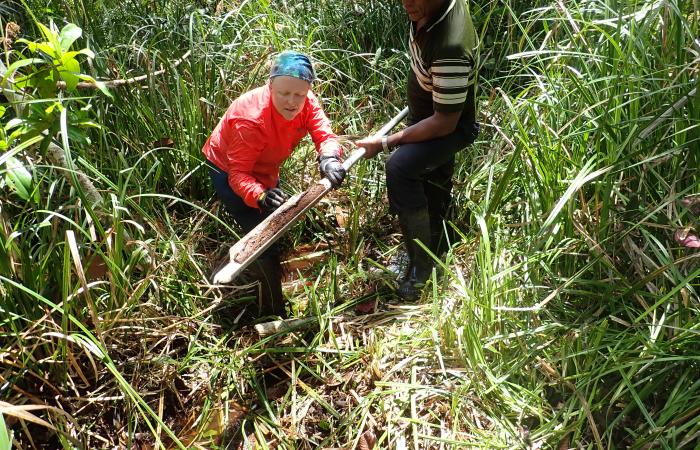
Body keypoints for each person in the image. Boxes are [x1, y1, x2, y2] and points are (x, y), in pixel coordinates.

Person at [203, 50, 346, 319]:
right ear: (270, 86)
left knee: (274, 223)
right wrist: (260, 196)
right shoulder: (250, 118)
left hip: (266, 166)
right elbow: (239, 175)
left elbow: (324, 133)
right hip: (228, 170)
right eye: (284, 94)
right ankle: (272, 310)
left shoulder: (305, 100)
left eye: (299, 95)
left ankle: (275, 270)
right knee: (262, 240)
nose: (292, 102)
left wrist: (329, 158)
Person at [355, 0, 480, 301]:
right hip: (428, 112)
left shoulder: (449, 46)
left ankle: (422, 266)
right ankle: (435, 238)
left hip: (449, 125)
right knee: (432, 177)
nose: (407, 4)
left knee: (400, 168)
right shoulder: (429, 10)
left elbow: (445, 122)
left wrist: (386, 142)